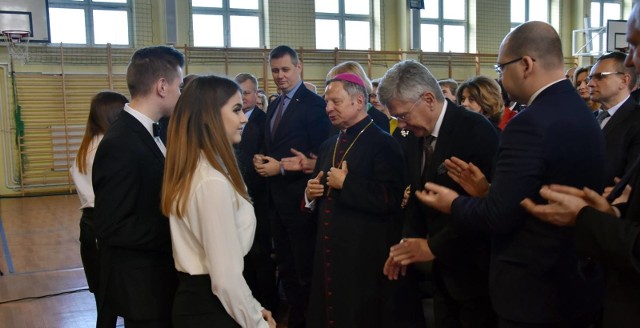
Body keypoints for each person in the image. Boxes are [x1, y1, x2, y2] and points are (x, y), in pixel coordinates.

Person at [417, 21, 606, 327]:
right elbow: (539, 191)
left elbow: (498, 216)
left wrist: (453, 203)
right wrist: (488, 191)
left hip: (534, 287)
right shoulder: (582, 111)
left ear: (526, 64)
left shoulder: (528, 123)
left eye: (501, 67)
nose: (500, 76)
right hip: (573, 278)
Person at [520, 5, 640, 327]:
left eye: (635, 46)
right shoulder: (593, 118)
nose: (631, 57)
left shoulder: (634, 122)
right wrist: (610, 212)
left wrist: (591, 215)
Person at [378, 60, 499, 328]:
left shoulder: (475, 131)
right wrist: (408, 243)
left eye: (403, 115)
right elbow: (415, 196)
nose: (401, 124)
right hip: (441, 275)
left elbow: (484, 209)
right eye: (396, 118)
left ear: (429, 99)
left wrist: (433, 246)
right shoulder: (410, 133)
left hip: (474, 273)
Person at [303, 73, 425, 328]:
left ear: (359, 101)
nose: (328, 108)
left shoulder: (385, 144)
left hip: (364, 254)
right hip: (329, 253)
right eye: (326, 102)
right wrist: (309, 195)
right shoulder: (329, 145)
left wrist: (347, 184)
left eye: (335, 101)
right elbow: (317, 195)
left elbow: (392, 200)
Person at [161, 75, 276, 328]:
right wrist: (256, 322)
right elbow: (225, 277)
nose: (244, 118)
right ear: (208, 116)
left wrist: (253, 307)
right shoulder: (211, 181)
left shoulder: (202, 169)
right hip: (210, 307)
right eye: (236, 110)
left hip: (206, 302)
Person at [92, 45, 184, 327]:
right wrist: (178, 228)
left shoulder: (151, 131)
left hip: (157, 278)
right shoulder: (122, 142)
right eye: (179, 85)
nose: (181, 93)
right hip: (142, 284)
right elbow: (113, 225)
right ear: (162, 86)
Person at [253, 45, 331, 328]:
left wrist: (282, 166)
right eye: (275, 71)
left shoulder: (314, 105)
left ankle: (309, 319)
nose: (280, 76)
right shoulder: (274, 104)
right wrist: (261, 158)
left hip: (302, 201)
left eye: (285, 69)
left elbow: (322, 156)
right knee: (285, 266)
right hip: (275, 200)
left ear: (299, 68)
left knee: (304, 269)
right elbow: (271, 145)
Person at [70, 91, 127, 327]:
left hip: (91, 226)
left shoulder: (88, 146)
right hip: (104, 225)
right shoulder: (107, 148)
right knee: (109, 302)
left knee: (104, 301)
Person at [234, 73, 278, 315]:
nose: (244, 97)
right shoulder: (227, 118)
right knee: (243, 257)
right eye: (239, 93)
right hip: (237, 195)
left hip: (259, 196)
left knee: (261, 256)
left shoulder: (264, 119)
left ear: (257, 94)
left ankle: (268, 306)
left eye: (248, 92)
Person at [587, 51, 640, 186]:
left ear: (624, 80)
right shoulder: (589, 119)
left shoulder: (636, 120)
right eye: (590, 78)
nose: (590, 84)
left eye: (600, 77)